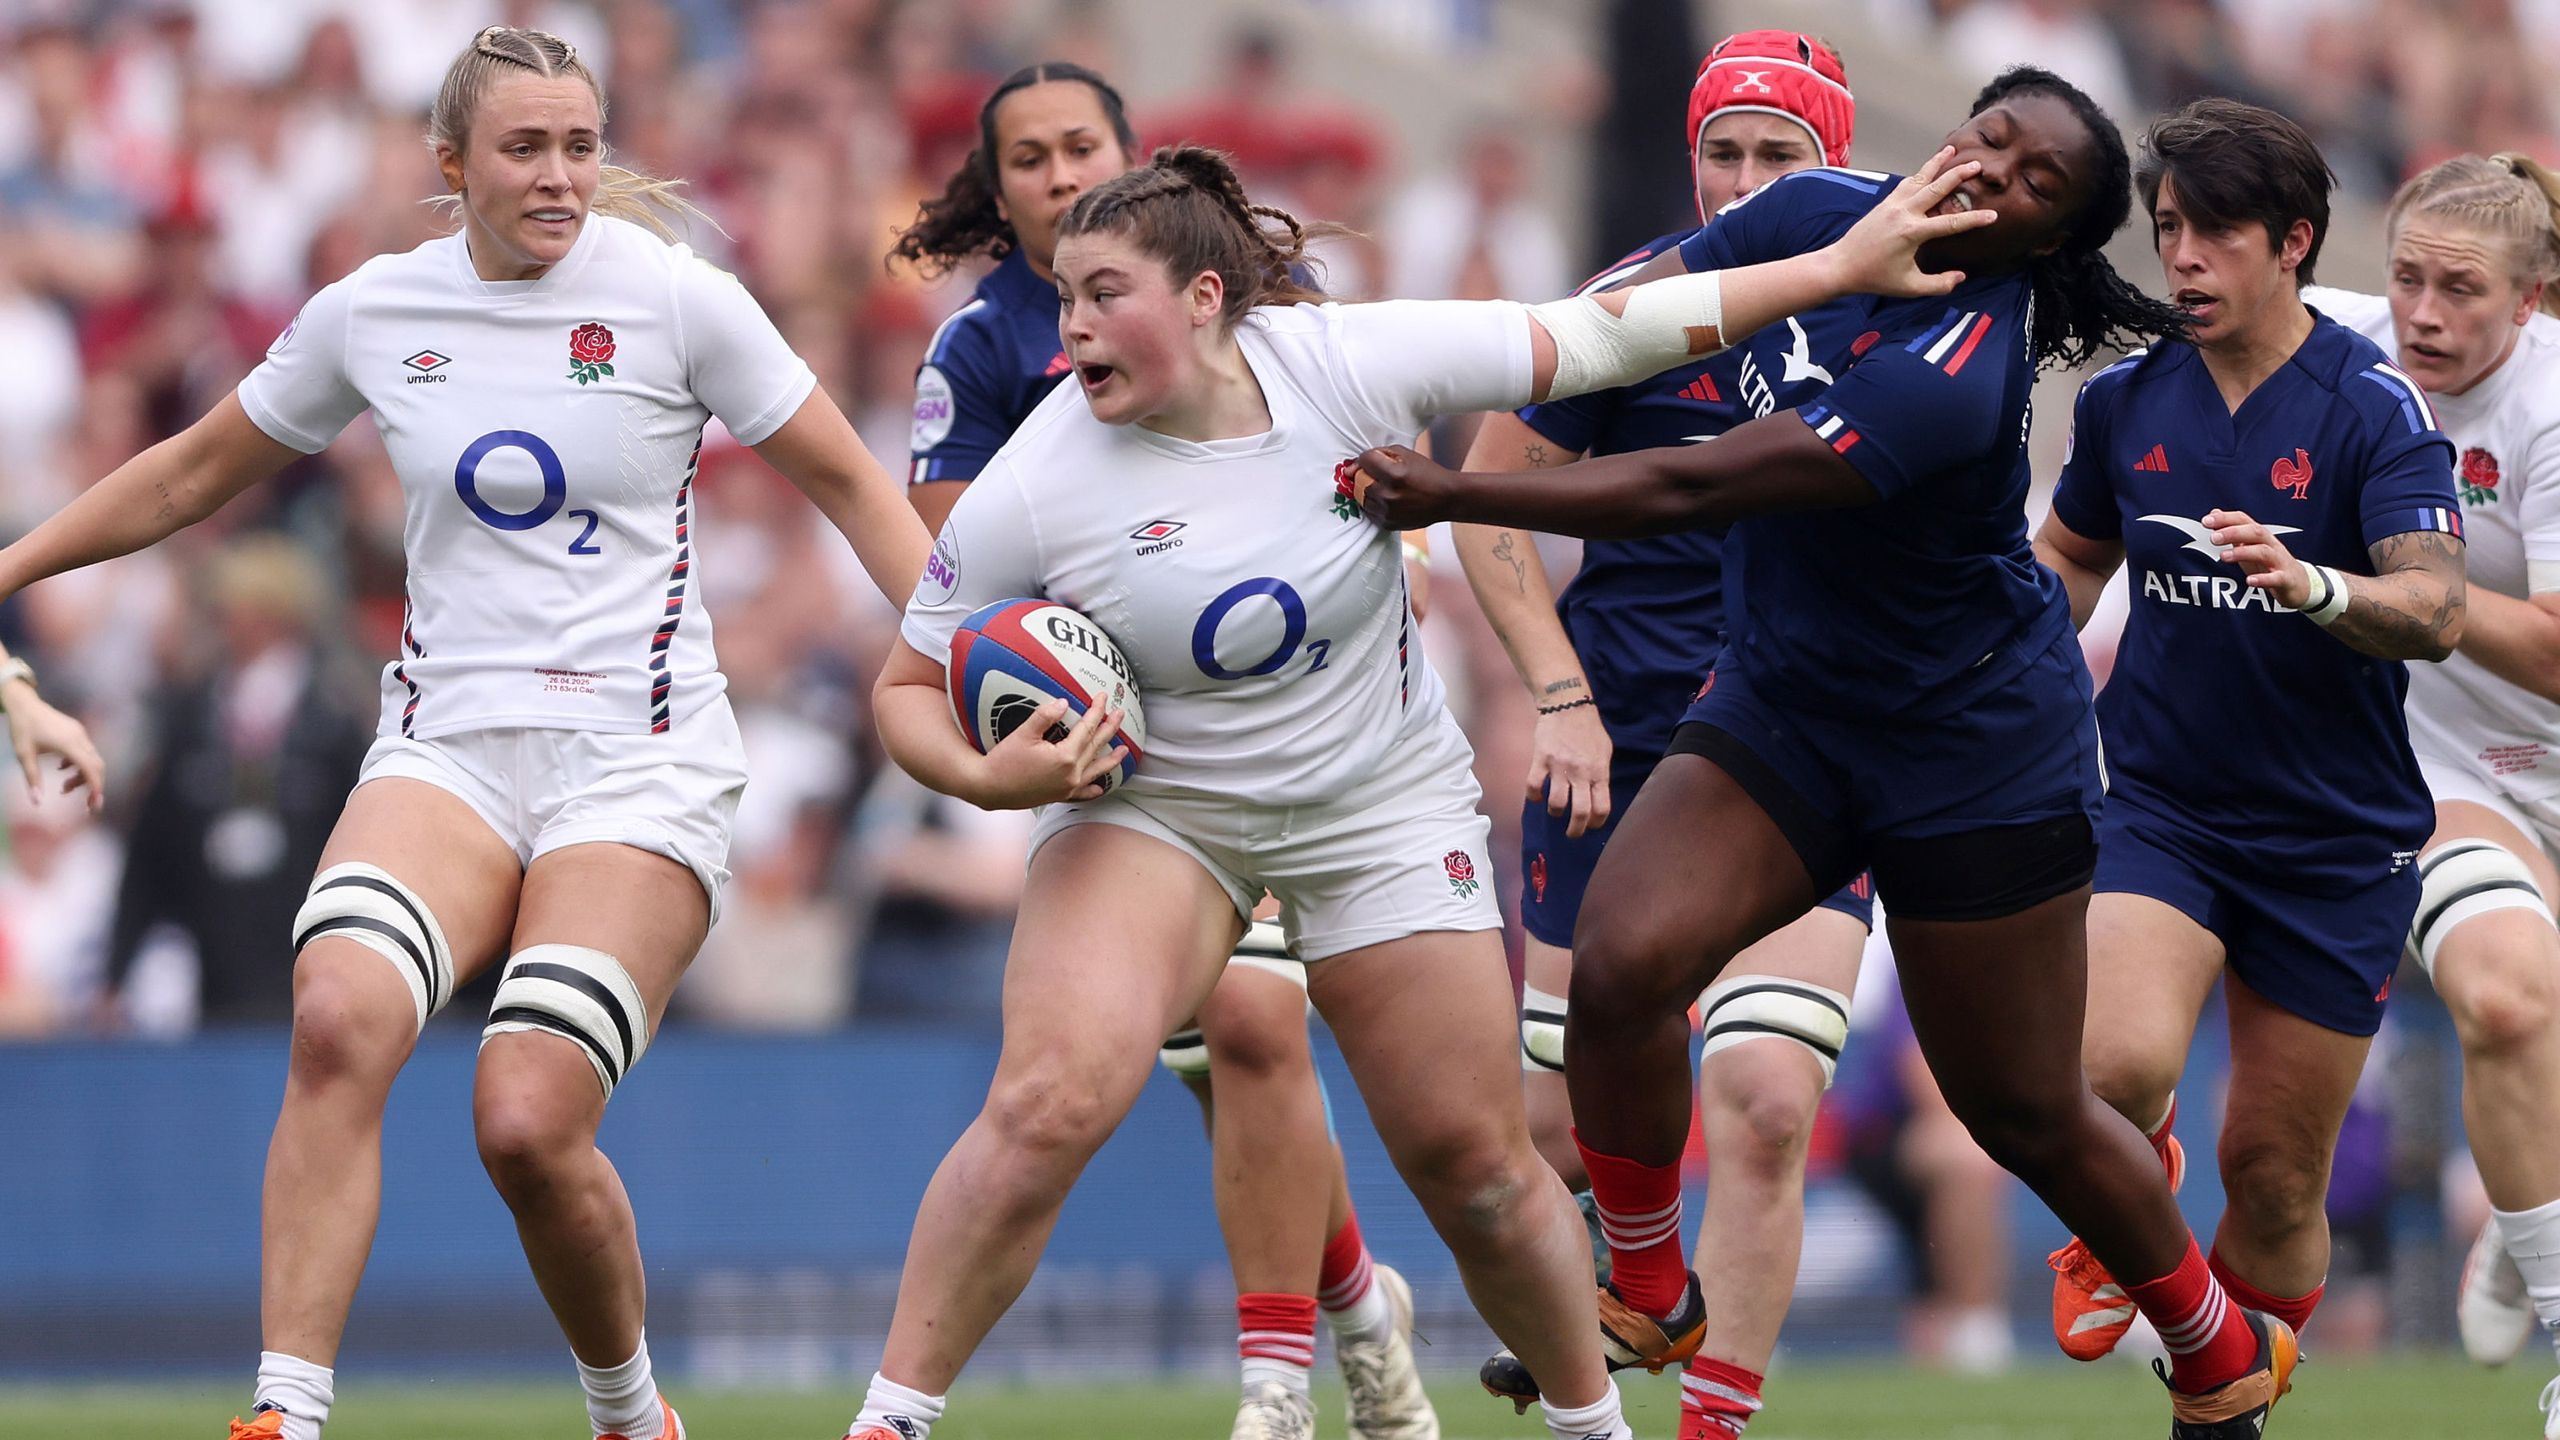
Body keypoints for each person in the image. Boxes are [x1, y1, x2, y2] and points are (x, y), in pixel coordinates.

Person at [849, 142, 1989, 1440]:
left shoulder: (1346, 362)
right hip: (1160, 810)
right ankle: (889, 1421)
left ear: (1208, 299)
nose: (1073, 329)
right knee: (1045, 1105)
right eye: (1063, 298)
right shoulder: (1039, 478)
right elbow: (905, 688)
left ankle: (1591, 1428)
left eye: (1105, 294)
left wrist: (1833, 269)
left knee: (1482, 1174)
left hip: (1374, 804)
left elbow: (1599, 337)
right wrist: (987, 775)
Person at [0, 27, 931, 1440]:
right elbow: (191, 473)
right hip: (449, 749)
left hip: (638, 757)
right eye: (525, 147)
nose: (561, 175)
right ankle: (285, 1413)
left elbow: (856, 487)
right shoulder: (376, 311)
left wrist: (965, 658)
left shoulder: (679, 299)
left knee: (526, 1119)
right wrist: (11, 567)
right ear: (452, 163)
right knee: (337, 1013)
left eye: (581, 145)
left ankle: (630, 1417)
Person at [1357, 66, 2303, 1440]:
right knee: (1620, 969)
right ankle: (1647, 1286)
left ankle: (2215, 1347)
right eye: (1989, 138)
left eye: (2034, 182)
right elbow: (1607, 332)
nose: (1993, 173)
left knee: (2020, 1111)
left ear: (2048, 239)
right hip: (1785, 709)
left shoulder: (1964, 363)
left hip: (1971, 743)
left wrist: (1458, 487)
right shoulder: (1809, 212)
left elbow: (1697, 480)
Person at [889, 62, 1433, 1439]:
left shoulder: (1245, 310)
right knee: (1194, 1048)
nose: (1059, 173)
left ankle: (1278, 1386)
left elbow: (1370, 461)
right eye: (1027, 158)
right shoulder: (979, 354)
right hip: (1093, 746)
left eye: (1081, 145)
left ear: (1131, 157)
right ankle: (1359, 1311)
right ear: (996, 189)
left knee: (1250, 1022)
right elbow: (962, 585)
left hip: (1274, 724)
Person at [1448, 30, 1873, 1439]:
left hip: (1806, 757)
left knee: (1763, 1096)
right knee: (1550, 1133)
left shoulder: (1900, 313)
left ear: (1838, 161)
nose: (1744, 183)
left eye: (1778, 156)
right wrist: (1557, 697)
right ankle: (1623, 1291)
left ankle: (1711, 1424)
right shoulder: (1625, 310)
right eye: (1722, 153)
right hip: (1619, 755)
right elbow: (1484, 511)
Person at [2032, 99, 2465, 1387]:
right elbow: (2068, 560)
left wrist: (2315, 586)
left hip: (2335, 838)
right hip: (2160, 805)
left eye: (2216, 232)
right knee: (2109, 1066)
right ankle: (2130, 1170)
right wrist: (1993, 658)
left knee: (2274, 1178)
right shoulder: (2124, 401)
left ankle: (2223, 1398)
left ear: (2293, 243)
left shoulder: (2373, 406)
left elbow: (2436, 606)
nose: (2183, 258)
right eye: (2169, 228)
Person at [2304, 151, 2560, 1437]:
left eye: (2460, 290)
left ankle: (2525, 1218)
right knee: (2505, 997)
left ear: (2530, 301)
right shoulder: (2337, 346)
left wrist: (2398, 599)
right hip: (2456, 770)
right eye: (2406, 277)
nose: (2422, 313)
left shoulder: (2551, 409)